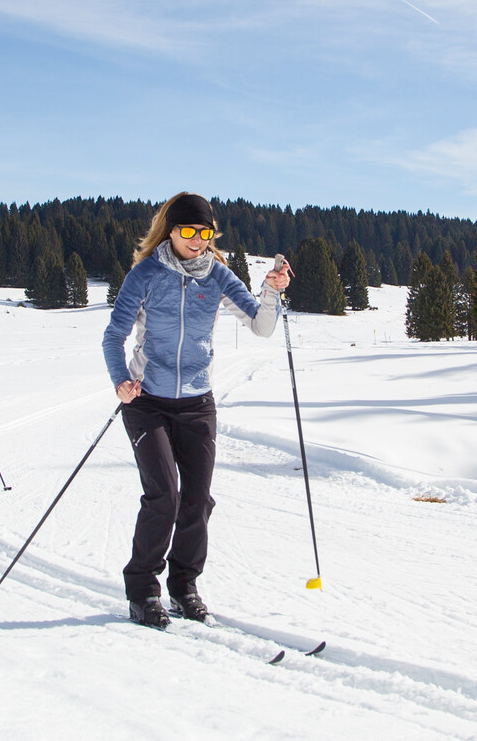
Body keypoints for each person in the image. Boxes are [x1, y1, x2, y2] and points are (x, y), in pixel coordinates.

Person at [102, 193, 291, 628]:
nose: (196, 240)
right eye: (187, 231)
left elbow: (261, 326)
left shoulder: (219, 276)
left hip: (197, 402)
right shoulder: (146, 273)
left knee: (197, 500)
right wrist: (120, 381)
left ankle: (184, 587)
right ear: (170, 230)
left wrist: (270, 292)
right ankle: (143, 590)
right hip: (146, 401)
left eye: (204, 233)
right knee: (164, 495)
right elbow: (114, 336)